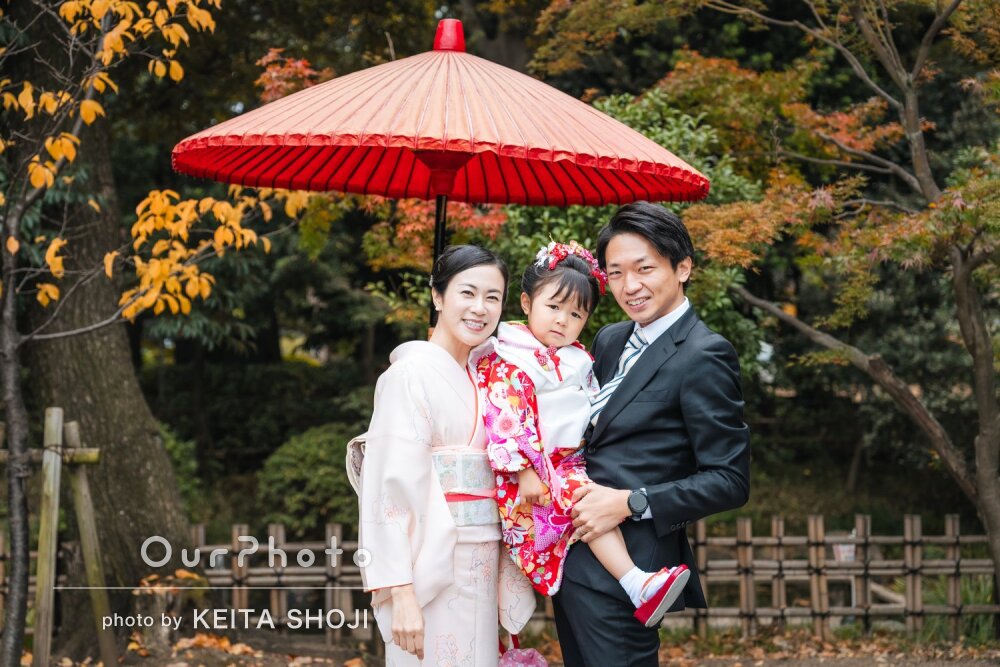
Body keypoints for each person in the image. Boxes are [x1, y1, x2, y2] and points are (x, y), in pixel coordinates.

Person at [553, 203, 751, 667]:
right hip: (572, 555)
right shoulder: (610, 338)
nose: (629, 286)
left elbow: (729, 480)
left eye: (645, 269)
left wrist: (631, 502)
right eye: (616, 272)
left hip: (632, 570)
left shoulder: (705, 355)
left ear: (682, 267)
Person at [477, 241, 690, 629]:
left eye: (575, 313)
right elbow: (506, 415)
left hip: (572, 462)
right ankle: (636, 581)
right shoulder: (509, 354)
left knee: (591, 506)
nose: (562, 320)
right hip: (531, 472)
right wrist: (524, 469)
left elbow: (596, 404)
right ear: (526, 303)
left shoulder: (577, 356)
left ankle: (637, 583)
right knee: (585, 505)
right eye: (553, 307)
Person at [356, 245, 535, 666]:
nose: (480, 308)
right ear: (437, 296)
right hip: (427, 565)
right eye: (467, 293)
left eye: (493, 297)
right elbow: (387, 490)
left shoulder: (490, 377)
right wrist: (400, 592)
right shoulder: (408, 375)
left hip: (484, 555)